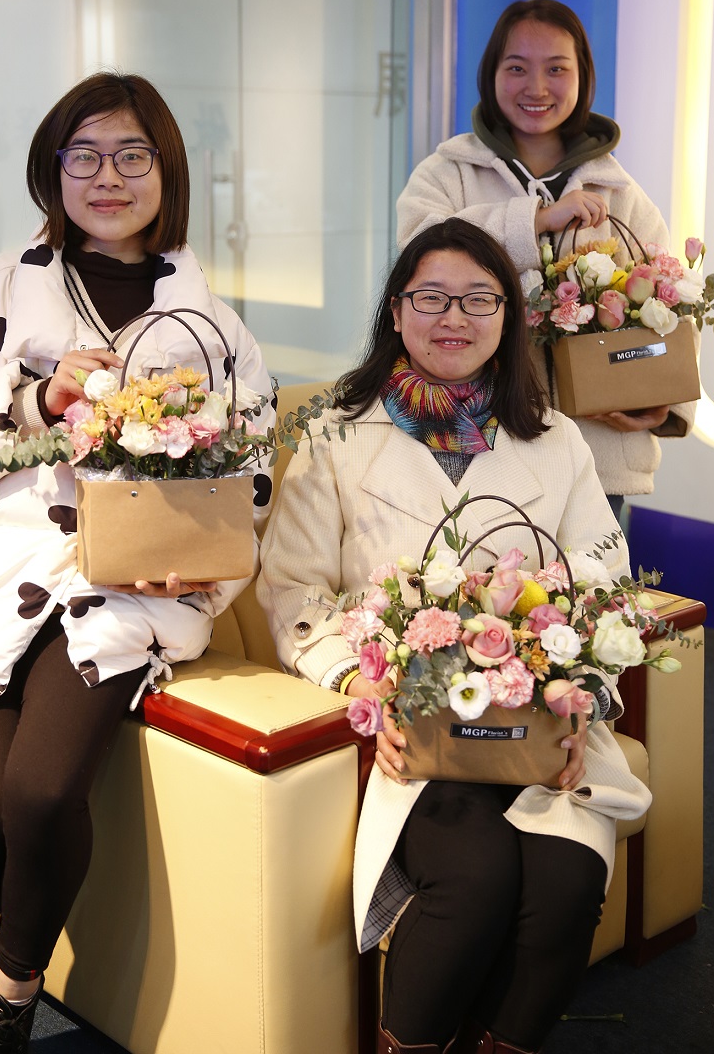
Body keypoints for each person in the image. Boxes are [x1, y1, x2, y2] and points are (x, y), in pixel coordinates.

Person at [0, 73, 274, 1054]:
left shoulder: (212, 327)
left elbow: (254, 478)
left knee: (42, 792)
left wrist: (201, 571)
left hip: (125, 592)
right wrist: (28, 399)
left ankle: (10, 997)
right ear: (51, 171)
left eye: (132, 154)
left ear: (166, 170)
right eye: (85, 154)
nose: (108, 176)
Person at [257, 219, 651, 1054]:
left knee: (567, 878)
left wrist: (579, 696)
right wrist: (361, 683)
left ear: (508, 317)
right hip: (415, 730)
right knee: (474, 875)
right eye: (431, 297)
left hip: (537, 724)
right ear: (396, 312)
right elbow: (294, 588)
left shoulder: (557, 439)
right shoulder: (338, 434)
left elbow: (604, 585)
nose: (454, 318)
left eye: (479, 299)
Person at [396, 0, 696, 522]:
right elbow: (416, 258)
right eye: (517, 68)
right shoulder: (447, 173)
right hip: (471, 453)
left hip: (598, 463)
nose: (536, 88)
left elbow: (674, 309)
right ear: (491, 74)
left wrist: (664, 402)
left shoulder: (620, 193)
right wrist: (533, 221)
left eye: (557, 69)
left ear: (583, 77)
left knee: (592, 578)